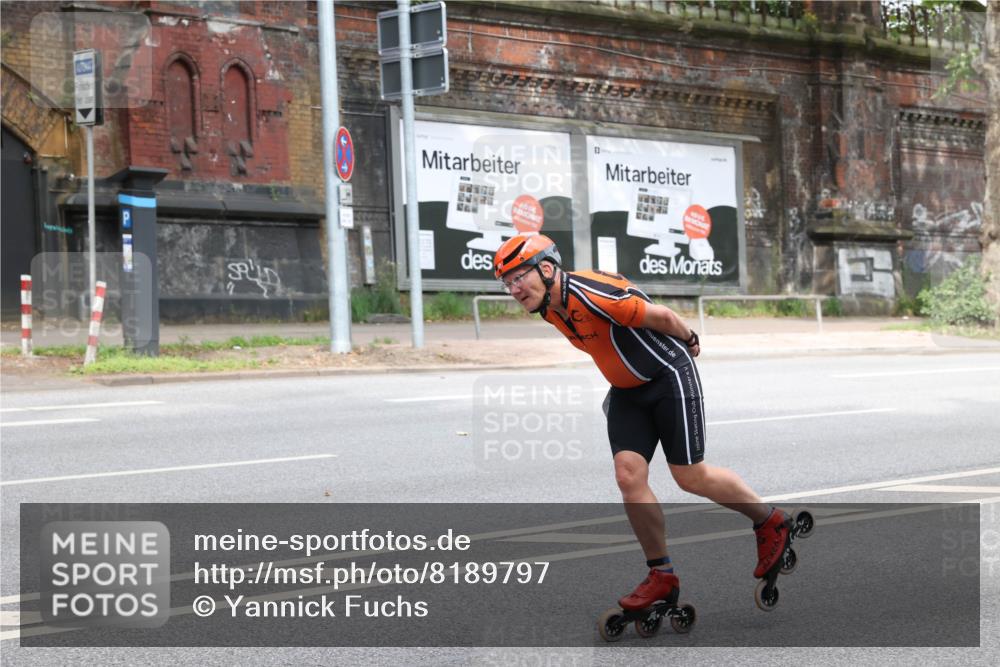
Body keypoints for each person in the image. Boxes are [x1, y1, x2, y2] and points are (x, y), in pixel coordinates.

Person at [493, 232, 792, 611]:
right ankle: (661, 575)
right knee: (628, 476)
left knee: (689, 476)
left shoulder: (592, 294)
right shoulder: (551, 307)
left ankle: (769, 521)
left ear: (547, 268)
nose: (514, 289)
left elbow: (663, 317)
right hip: (627, 392)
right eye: (507, 283)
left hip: (668, 376)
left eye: (519, 277)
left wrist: (692, 338)